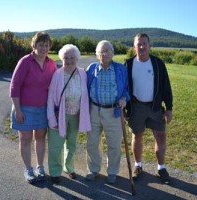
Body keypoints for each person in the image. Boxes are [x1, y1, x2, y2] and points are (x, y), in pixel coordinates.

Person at [124, 33, 173, 184]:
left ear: (149, 45)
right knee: (137, 135)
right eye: (138, 44)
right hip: (136, 106)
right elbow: (124, 87)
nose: (142, 46)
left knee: (160, 135)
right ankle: (138, 166)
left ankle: (161, 167)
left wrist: (169, 108)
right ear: (134, 47)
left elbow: (166, 86)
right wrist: (125, 107)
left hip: (155, 107)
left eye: (144, 43)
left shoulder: (158, 63)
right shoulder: (129, 63)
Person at [10, 32, 57, 184]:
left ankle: (40, 167)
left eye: (46, 45)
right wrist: (17, 109)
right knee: (25, 139)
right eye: (40, 45)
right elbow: (14, 86)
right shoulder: (25, 62)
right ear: (34, 46)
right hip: (24, 108)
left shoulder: (51, 64)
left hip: (43, 108)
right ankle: (28, 169)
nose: (44, 48)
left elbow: (55, 86)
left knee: (40, 138)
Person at [85, 40, 130, 184]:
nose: (104, 54)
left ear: (113, 53)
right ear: (97, 54)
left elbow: (127, 90)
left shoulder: (121, 69)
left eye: (107, 51)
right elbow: (85, 88)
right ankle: (93, 169)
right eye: (101, 51)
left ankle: (112, 171)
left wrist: (124, 98)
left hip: (113, 111)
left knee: (114, 144)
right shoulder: (91, 68)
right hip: (94, 110)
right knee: (92, 142)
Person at [47, 44, 91, 184]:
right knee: (56, 144)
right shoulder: (57, 74)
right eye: (66, 57)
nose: (69, 60)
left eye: (72, 57)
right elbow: (50, 98)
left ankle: (69, 167)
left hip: (76, 114)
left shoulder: (82, 73)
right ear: (62, 58)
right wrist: (51, 118)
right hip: (61, 115)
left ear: (77, 58)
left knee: (71, 143)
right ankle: (54, 171)